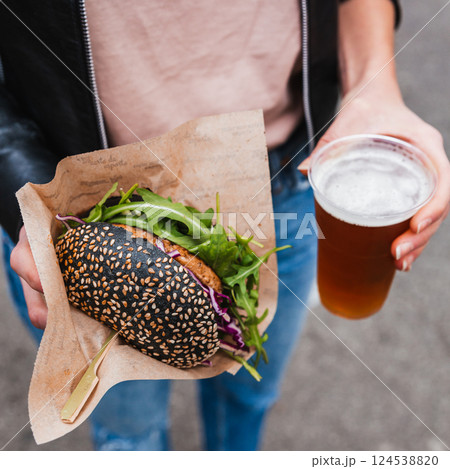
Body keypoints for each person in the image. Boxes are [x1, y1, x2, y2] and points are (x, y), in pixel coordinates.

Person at [0, 0, 449, 451]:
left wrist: (375, 86)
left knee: (249, 396)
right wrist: (26, 189)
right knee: (129, 434)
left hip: (286, 173)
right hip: (89, 210)